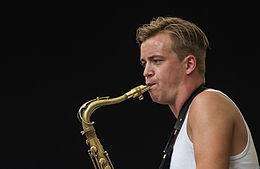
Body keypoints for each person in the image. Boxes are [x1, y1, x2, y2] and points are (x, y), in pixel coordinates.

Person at [136, 17, 259, 169]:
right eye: (144, 63)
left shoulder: (207, 102)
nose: (146, 72)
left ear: (189, 64)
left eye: (156, 60)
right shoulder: (188, 118)